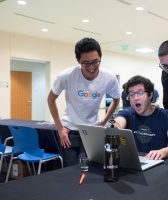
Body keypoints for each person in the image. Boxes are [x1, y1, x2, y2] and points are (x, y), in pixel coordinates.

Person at [47, 37, 120, 167]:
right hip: (70, 130)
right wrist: (59, 128)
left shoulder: (109, 77)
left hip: (92, 130)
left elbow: (116, 99)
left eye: (95, 62)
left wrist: (104, 121)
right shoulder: (67, 76)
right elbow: (51, 99)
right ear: (78, 61)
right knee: (70, 171)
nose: (91, 67)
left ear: (100, 58)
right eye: (86, 63)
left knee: (92, 169)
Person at [114, 75, 168, 160]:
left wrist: (164, 152)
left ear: (150, 95)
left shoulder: (167, 116)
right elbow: (118, 123)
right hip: (132, 162)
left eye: (140, 93)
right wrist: (114, 127)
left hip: (156, 164)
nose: (135, 98)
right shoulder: (127, 113)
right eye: (132, 94)